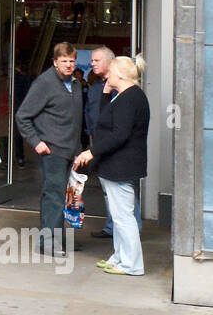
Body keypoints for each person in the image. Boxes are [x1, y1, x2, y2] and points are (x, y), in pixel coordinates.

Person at [74, 55, 150, 276]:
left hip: (121, 165)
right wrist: (106, 93)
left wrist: (91, 151)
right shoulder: (124, 96)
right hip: (116, 165)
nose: (107, 74)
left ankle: (132, 264)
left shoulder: (130, 99)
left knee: (124, 217)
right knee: (119, 217)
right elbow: (107, 119)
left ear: (120, 74)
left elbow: (119, 134)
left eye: (112, 71)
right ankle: (120, 258)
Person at [15, 42, 85, 260]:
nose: (68, 65)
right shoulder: (44, 83)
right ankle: (48, 243)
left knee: (65, 197)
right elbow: (22, 116)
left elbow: (75, 120)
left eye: (72, 61)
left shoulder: (74, 83)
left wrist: (78, 149)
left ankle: (59, 240)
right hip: (51, 151)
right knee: (53, 196)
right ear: (54, 62)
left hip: (69, 150)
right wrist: (36, 142)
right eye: (63, 61)